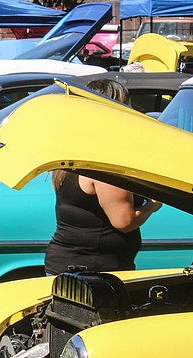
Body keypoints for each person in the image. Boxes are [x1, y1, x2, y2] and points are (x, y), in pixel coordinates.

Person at [44, 78, 162, 275]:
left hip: (75, 264)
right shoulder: (102, 163)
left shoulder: (75, 150)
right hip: (90, 271)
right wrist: (152, 205)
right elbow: (124, 221)